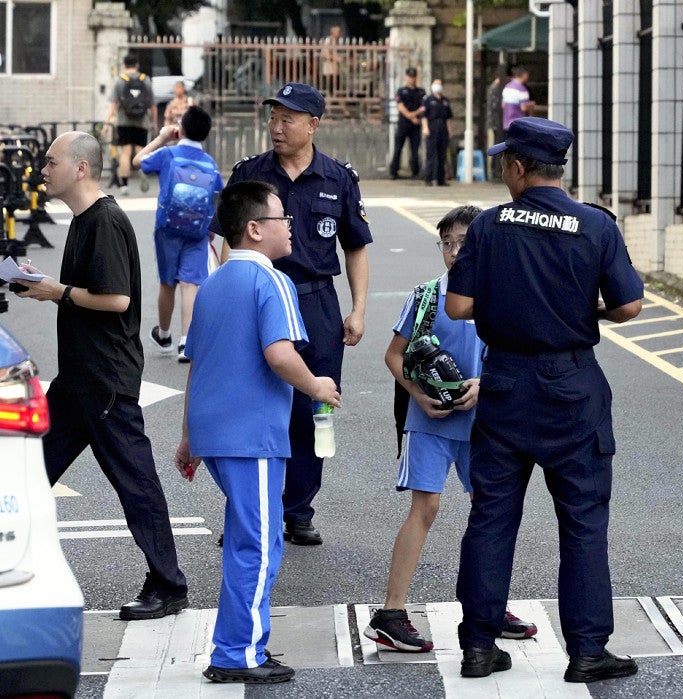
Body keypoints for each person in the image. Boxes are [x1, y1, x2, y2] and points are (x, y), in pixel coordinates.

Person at [446, 117, 644, 682]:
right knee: (582, 521)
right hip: (572, 387)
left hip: (506, 384)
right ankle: (586, 651)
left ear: (516, 166)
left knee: (491, 518)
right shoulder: (595, 225)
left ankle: (479, 646)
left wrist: (508, 304)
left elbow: (458, 307)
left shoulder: (488, 226)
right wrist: (584, 311)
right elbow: (629, 307)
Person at [15, 131, 188, 620]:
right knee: (24, 474)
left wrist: (57, 292)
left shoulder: (106, 221)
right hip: (77, 380)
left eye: (51, 162)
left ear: (81, 168)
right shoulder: (83, 219)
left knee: (137, 485)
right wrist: (43, 285)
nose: (42, 170)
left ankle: (169, 586)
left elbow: (117, 300)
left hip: (105, 380)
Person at [176, 181, 342, 684]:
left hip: (215, 432)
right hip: (253, 436)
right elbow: (280, 354)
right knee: (260, 545)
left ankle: (239, 645)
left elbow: (197, 364)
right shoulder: (273, 282)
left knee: (248, 539)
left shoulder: (216, 283)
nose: (289, 226)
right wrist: (319, 385)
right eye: (280, 219)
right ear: (254, 229)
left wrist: (188, 438)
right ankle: (237, 654)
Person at [364, 205, 536, 653]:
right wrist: (417, 393)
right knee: (426, 509)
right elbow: (394, 354)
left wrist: (484, 384)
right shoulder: (425, 296)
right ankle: (391, 612)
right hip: (431, 423)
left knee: (490, 514)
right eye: (447, 243)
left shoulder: (504, 295)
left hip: (487, 424)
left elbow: (519, 355)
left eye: (463, 242)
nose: (455, 252)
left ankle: (489, 605)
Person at [212, 82, 372, 546]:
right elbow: (228, 243)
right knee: (251, 407)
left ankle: (298, 509)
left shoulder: (338, 178)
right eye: (273, 117)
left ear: (313, 125)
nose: (276, 127)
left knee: (312, 407)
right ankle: (246, 510)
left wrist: (358, 309)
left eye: (288, 119)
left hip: (315, 302)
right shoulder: (250, 174)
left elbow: (356, 248)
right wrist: (229, 299)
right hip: (259, 296)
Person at [133, 106, 225, 363]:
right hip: (198, 232)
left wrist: (162, 137)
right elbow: (217, 197)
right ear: (205, 135)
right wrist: (210, 230)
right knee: (190, 285)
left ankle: (164, 335)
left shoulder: (169, 154)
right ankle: (186, 342)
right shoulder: (210, 164)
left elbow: (137, 161)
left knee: (168, 283)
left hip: (167, 229)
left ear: (180, 129)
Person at [101, 54, 153, 196]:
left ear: (124, 65)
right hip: (142, 121)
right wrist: (153, 123)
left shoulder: (120, 81)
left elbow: (113, 104)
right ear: (137, 65)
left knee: (125, 152)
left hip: (124, 121)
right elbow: (151, 104)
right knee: (140, 150)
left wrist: (107, 125)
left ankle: (124, 185)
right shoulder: (145, 80)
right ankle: (142, 170)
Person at [388, 67, 425, 180]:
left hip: (416, 124)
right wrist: (410, 116)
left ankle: (415, 172)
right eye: (409, 77)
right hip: (403, 124)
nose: (411, 79)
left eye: (413, 77)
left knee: (415, 150)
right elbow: (400, 106)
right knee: (398, 148)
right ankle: (394, 172)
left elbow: (424, 106)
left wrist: (413, 115)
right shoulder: (401, 91)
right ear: (406, 77)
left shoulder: (421, 92)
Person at [421, 78, 452, 187]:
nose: (438, 86)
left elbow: (448, 117)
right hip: (432, 127)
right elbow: (424, 116)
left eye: (439, 84)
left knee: (442, 155)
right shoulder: (428, 100)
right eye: (436, 84)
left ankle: (440, 179)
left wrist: (449, 131)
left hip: (443, 128)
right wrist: (425, 128)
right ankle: (428, 178)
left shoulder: (445, 100)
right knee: (431, 154)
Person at [486, 66, 509, 182]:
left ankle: (496, 171)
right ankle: (495, 172)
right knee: (497, 146)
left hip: (496, 122)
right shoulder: (495, 88)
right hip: (496, 122)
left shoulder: (495, 87)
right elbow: (495, 106)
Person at [501, 66, 535, 131]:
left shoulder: (507, 87)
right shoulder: (521, 89)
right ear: (524, 75)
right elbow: (524, 108)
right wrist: (531, 105)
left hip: (507, 123)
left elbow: (503, 105)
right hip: (519, 124)